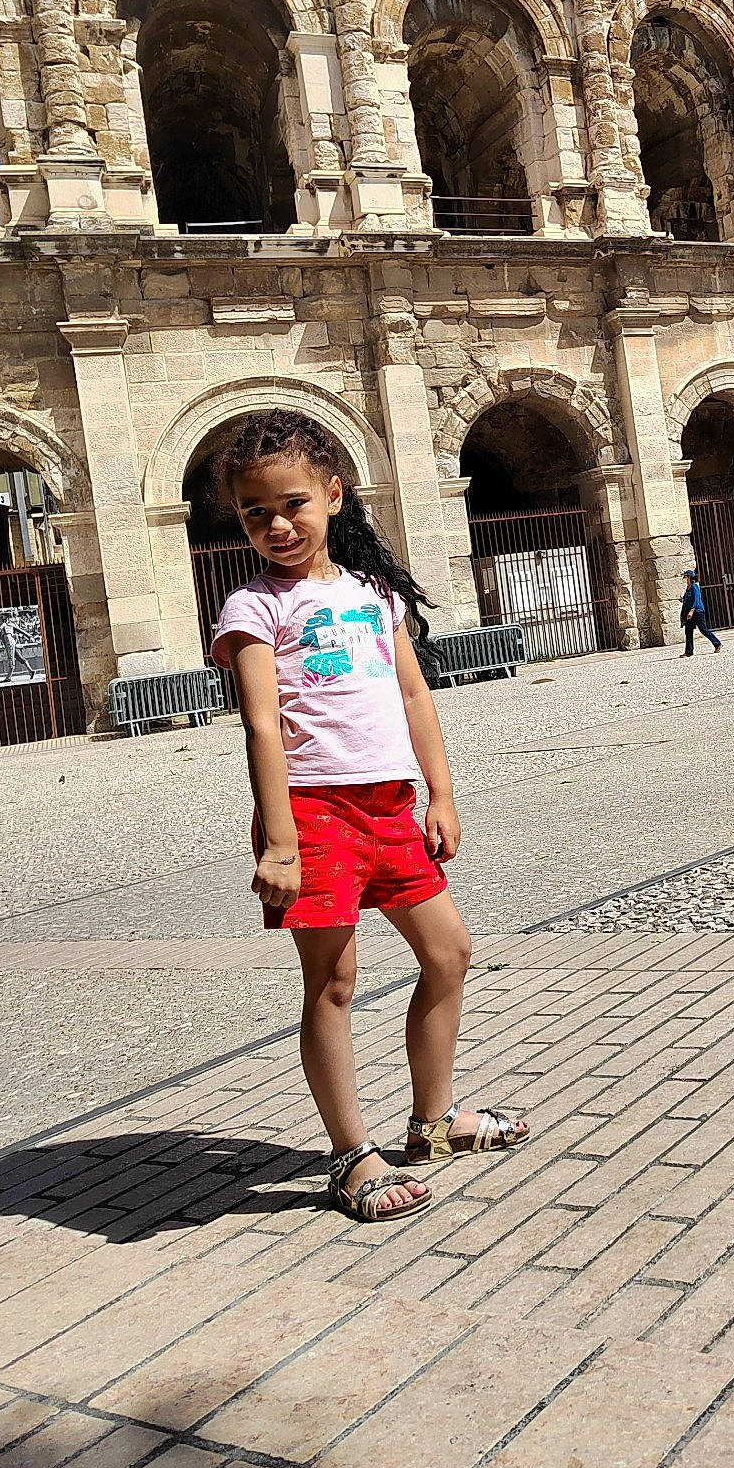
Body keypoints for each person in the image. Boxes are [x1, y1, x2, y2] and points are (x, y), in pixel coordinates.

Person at [210, 408, 526, 1226]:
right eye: (256, 513)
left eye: (292, 505)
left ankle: (430, 1124)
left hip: (390, 805)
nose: (277, 525)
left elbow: (414, 695)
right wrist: (280, 840)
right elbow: (261, 726)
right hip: (312, 815)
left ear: (334, 496)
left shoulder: (375, 594)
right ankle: (351, 1155)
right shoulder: (251, 609)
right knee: (335, 981)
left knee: (450, 954)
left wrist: (442, 793)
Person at [680, 567, 721, 656]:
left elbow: (696, 600)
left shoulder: (695, 587)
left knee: (703, 629)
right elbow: (687, 598)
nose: (685, 579)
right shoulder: (688, 588)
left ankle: (717, 643)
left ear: (689, 577)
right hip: (689, 612)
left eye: (686, 577)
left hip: (697, 612)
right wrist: (682, 600)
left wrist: (691, 611)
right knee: (688, 631)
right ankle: (688, 652)